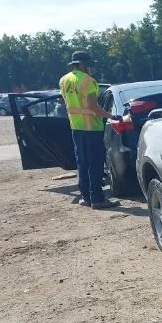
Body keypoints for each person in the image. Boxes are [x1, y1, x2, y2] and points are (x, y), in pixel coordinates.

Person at [59, 50, 120, 209]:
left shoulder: (64, 80)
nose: (92, 68)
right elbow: (93, 107)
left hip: (76, 128)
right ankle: (98, 199)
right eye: (90, 65)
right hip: (92, 128)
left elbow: (67, 103)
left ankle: (86, 197)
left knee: (82, 163)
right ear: (83, 65)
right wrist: (111, 116)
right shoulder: (88, 81)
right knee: (95, 164)